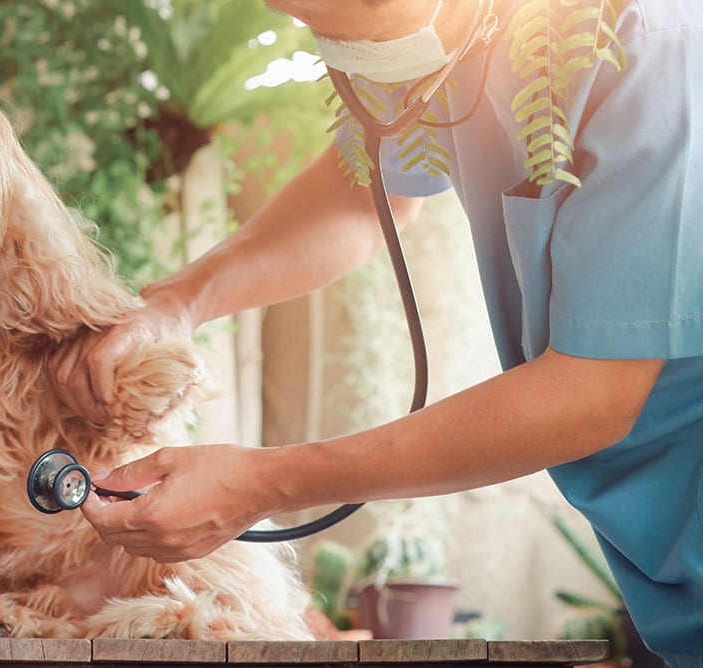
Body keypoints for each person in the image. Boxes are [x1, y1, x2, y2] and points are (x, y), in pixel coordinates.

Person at [47, 0, 703, 663]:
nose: (347, 58)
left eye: (364, 21)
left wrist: (263, 483)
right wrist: (176, 303)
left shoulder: (648, 46)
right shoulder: (454, 44)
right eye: (309, 23)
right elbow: (363, 191)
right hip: (660, 570)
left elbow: (591, 395)